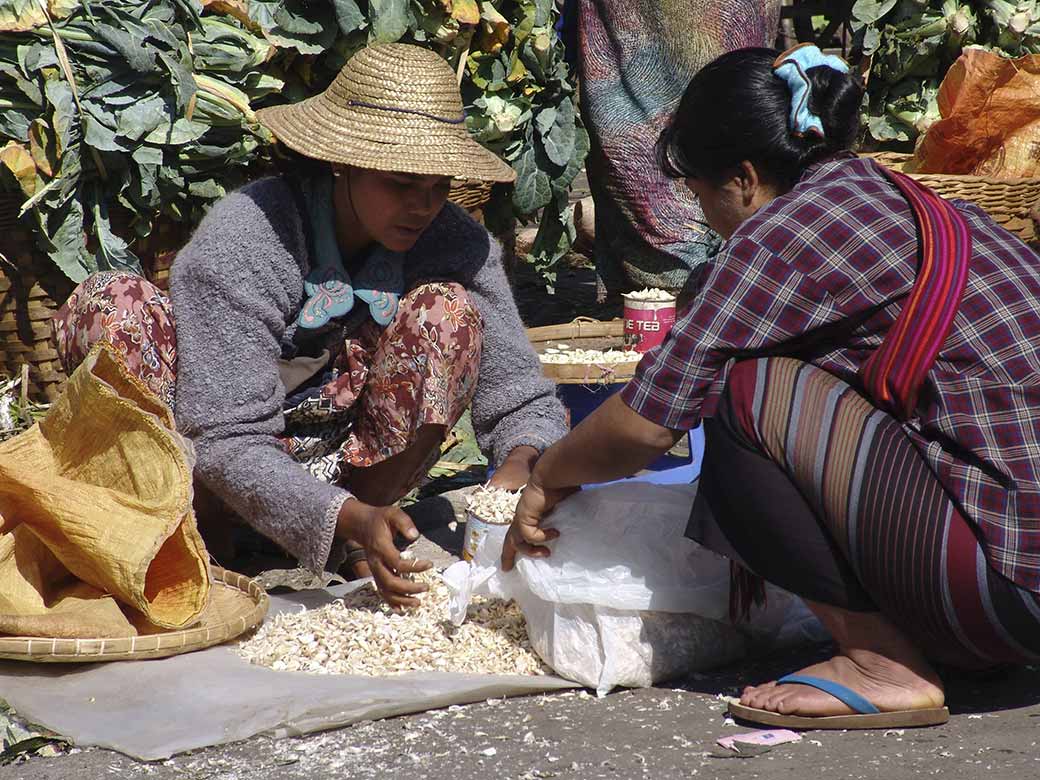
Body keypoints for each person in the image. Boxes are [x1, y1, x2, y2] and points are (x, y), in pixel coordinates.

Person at [502, 44, 1040, 729]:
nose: (705, 216)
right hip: (1019, 569)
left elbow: (648, 423)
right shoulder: (903, 200)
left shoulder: (782, 235)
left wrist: (547, 475)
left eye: (700, 193)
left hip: (1012, 590)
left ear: (745, 179)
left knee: (741, 387)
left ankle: (881, 664)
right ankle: (950, 640)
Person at [53, 43, 568, 608]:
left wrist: (522, 464)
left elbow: (520, 392)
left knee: (446, 314)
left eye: (438, 186)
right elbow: (223, 436)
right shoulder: (249, 237)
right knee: (111, 305)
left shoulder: (454, 240)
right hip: (207, 459)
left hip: (341, 456)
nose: (423, 207)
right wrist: (337, 513)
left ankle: (364, 533)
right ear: (343, 163)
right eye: (401, 183)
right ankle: (197, 540)